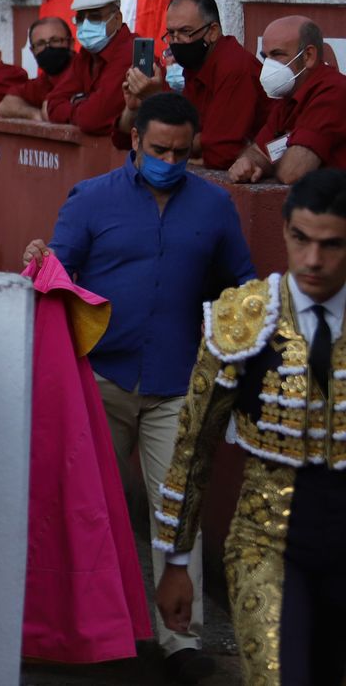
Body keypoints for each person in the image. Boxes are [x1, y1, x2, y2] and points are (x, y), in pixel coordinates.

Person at [26, 92, 254, 686]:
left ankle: (181, 641)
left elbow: (242, 283)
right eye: (159, 149)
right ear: (134, 141)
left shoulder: (215, 206)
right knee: (83, 503)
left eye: (181, 152)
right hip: (99, 375)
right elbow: (59, 270)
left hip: (178, 381)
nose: (170, 161)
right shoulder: (91, 199)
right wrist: (40, 259)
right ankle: (93, 631)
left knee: (178, 510)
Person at [154, 168, 346, 685]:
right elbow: (194, 447)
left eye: (331, 246)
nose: (312, 260)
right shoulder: (245, 318)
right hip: (269, 544)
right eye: (301, 239)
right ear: (284, 230)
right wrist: (175, 561)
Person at [114, 0, 266, 170]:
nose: (176, 41)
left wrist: (194, 144)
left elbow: (219, 151)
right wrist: (136, 106)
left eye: (186, 32)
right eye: (171, 34)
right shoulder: (195, 66)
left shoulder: (234, 67)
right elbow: (126, 140)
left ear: (213, 32)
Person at [227, 15, 346, 182]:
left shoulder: (333, 91)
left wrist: (272, 160)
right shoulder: (288, 95)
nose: (269, 64)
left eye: (277, 54)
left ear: (308, 56)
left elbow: (293, 172)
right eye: (265, 56)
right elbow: (258, 151)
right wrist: (247, 163)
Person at [42, 0, 135, 135]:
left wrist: (75, 105)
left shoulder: (130, 53)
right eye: (80, 19)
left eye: (95, 17)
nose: (85, 25)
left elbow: (92, 119)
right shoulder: (86, 55)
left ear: (117, 19)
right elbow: (53, 104)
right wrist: (84, 108)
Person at [0, 17, 76, 119]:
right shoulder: (44, 80)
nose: (48, 48)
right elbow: (5, 105)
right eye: (40, 44)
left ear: (71, 44)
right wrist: (35, 114)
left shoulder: (86, 69)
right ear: (33, 51)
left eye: (55, 41)